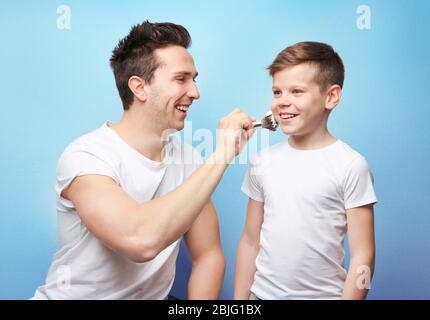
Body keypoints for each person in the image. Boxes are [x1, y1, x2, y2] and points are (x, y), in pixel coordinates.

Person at [33, 21, 255, 299]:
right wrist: (222, 154)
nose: (195, 92)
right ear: (139, 88)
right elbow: (139, 241)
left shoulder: (189, 159)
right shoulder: (86, 157)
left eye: (194, 79)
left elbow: (208, 256)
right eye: (181, 78)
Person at [235, 41, 377, 300]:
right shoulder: (261, 161)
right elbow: (249, 240)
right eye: (277, 92)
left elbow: (363, 254)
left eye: (296, 91)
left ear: (331, 97)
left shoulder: (351, 166)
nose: (282, 102)